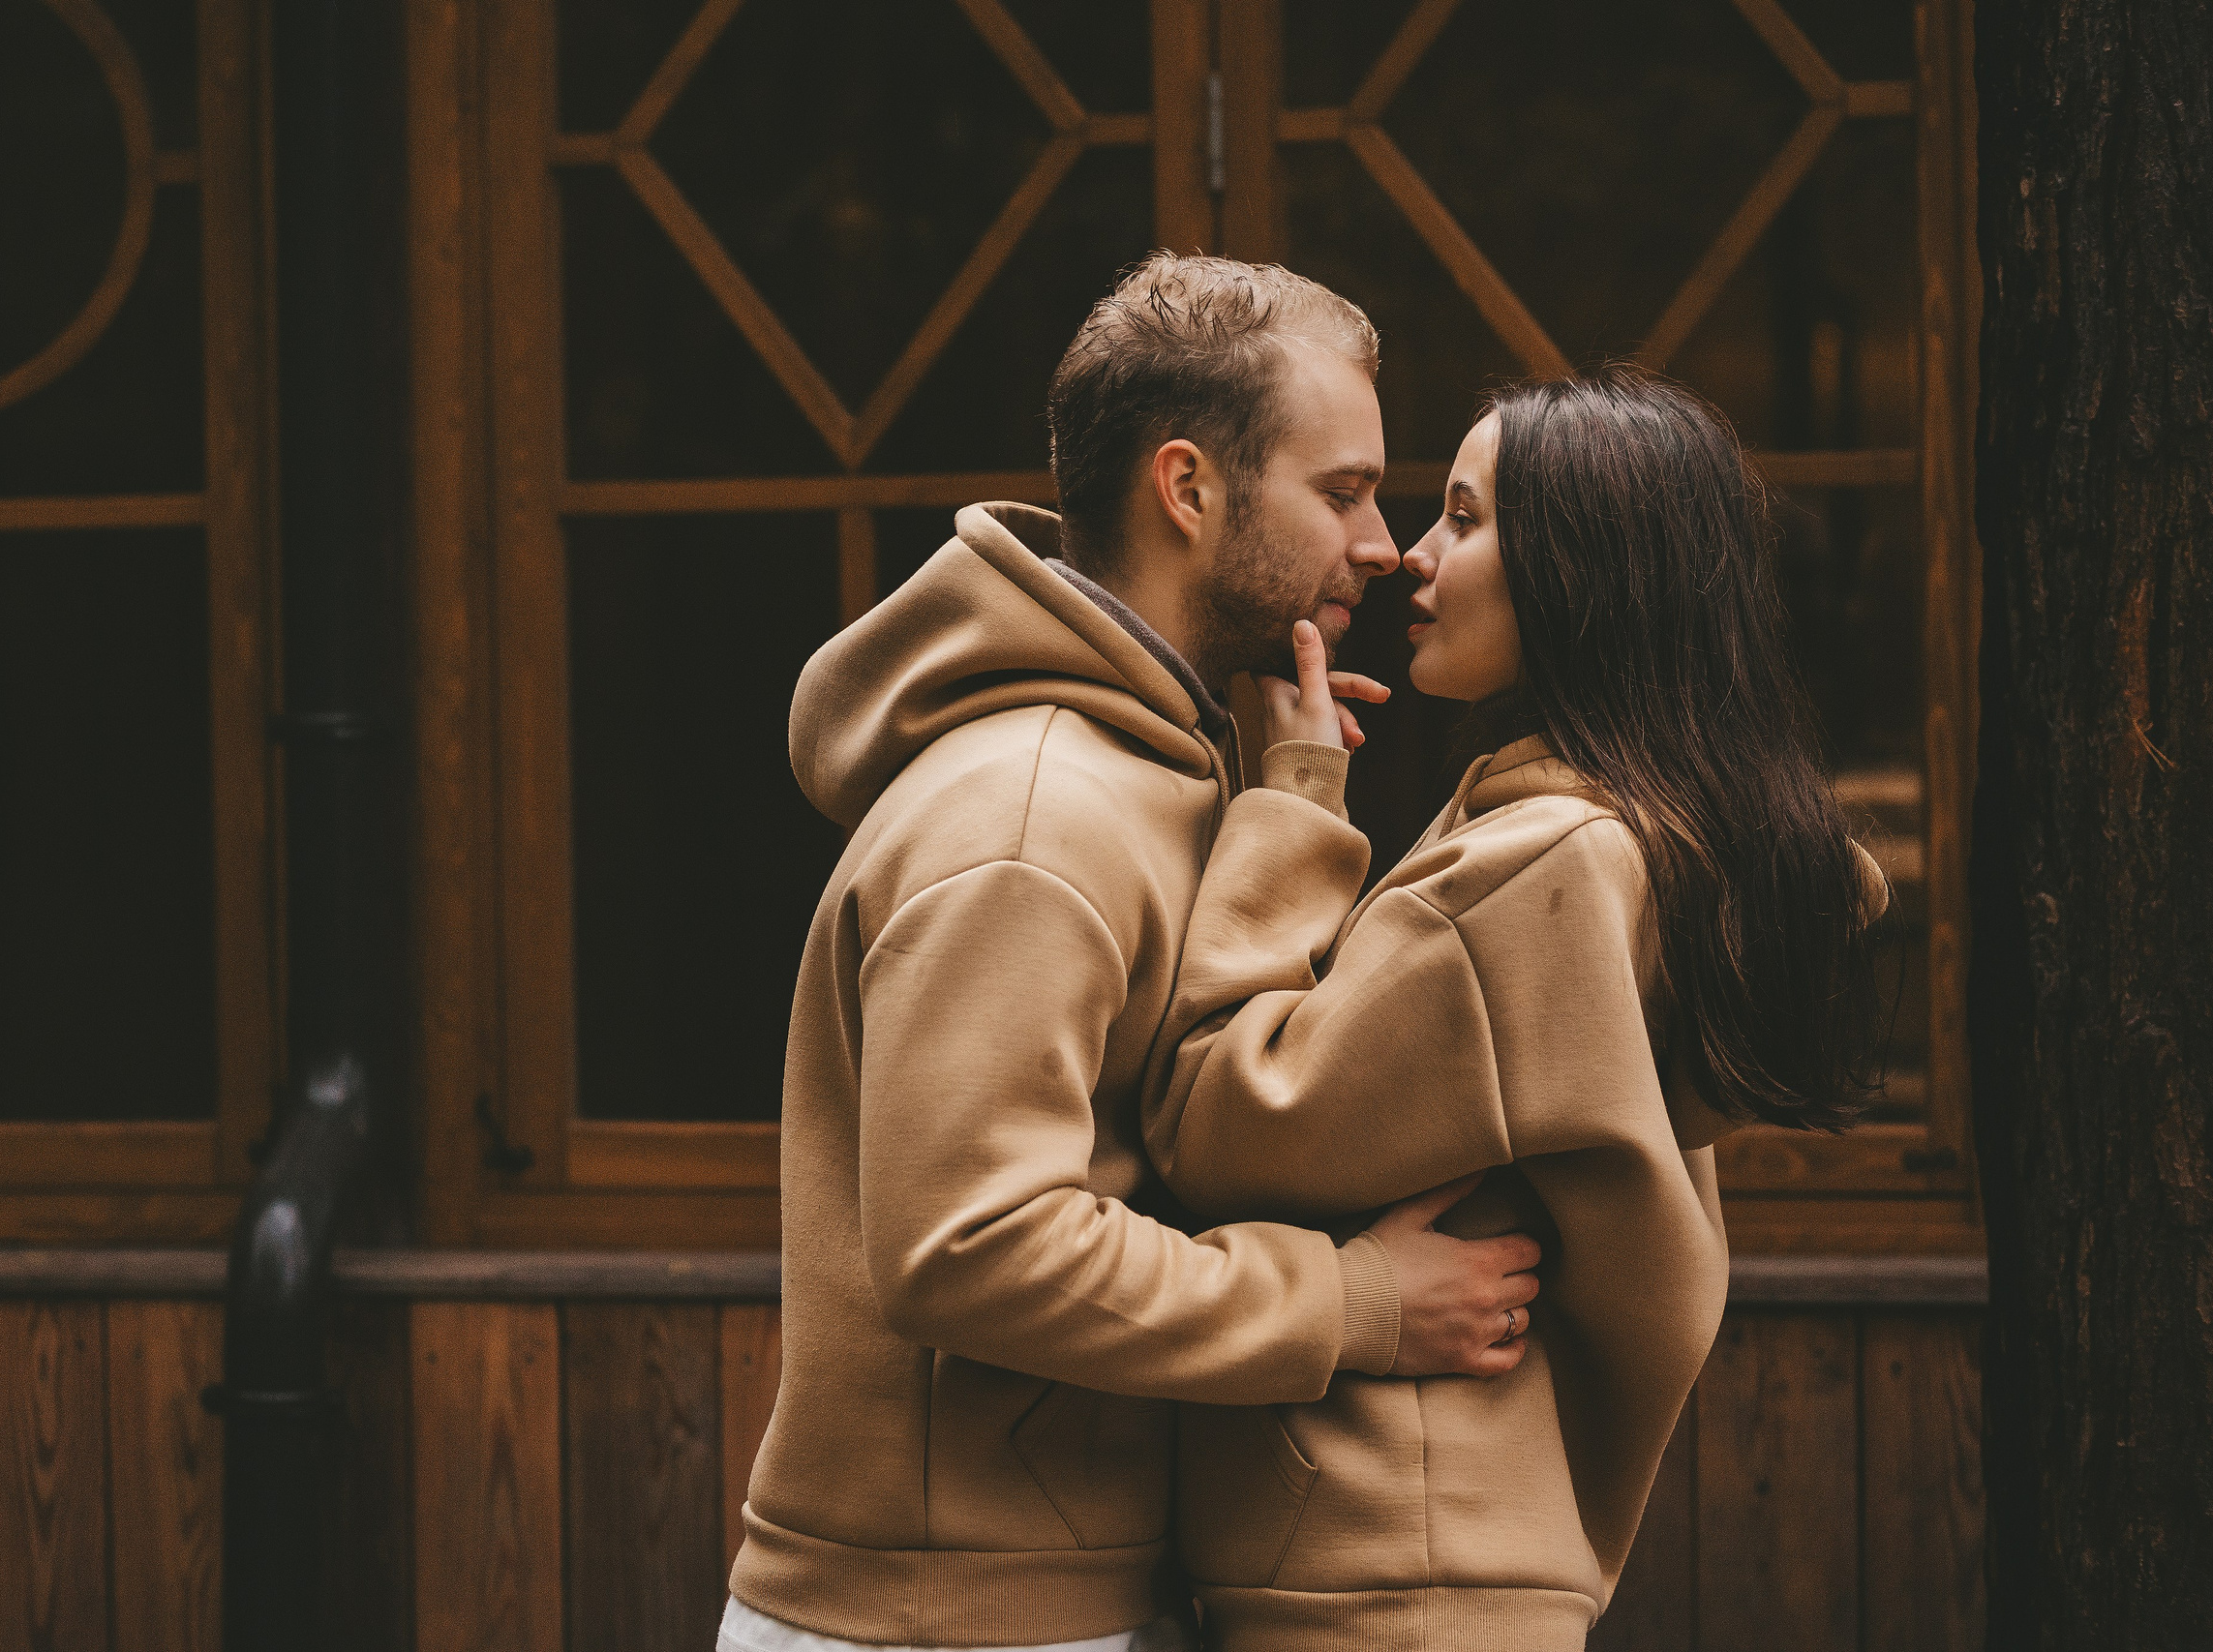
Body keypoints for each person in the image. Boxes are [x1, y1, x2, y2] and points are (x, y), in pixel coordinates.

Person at [721, 255, 1542, 1652]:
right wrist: (1350, 1306)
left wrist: (1286, 800)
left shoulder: (1149, 771)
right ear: (1188, 489)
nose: (1383, 542)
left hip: (1036, 1600)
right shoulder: (1032, 815)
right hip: (942, 1627)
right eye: (1340, 490)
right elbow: (972, 1248)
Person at [1141, 371, 1890, 1649]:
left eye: (1469, 520)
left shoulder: (1529, 875)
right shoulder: (1642, 853)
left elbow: (1215, 1117)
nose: (1413, 557)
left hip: (1384, 1565)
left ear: (1585, 571)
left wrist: (1294, 797)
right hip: (1464, 1539)